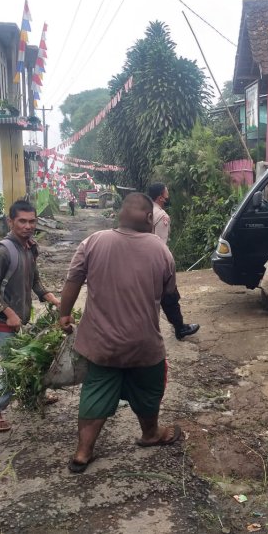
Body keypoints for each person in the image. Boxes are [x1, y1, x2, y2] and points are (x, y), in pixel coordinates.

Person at [59, 193, 182, 473]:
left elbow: (73, 279)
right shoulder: (161, 250)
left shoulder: (94, 241)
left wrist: (64, 314)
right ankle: (150, 434)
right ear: (150, 219)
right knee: (149, 390)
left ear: (119, 215)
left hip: (101, 345)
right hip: (144, 344)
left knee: (95, 390)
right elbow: (168, 294)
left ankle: (83, 452)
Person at [0, 199, 61, 432]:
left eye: (32, 221)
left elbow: (35, 281)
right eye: (22, 221)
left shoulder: (31, 247)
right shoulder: (2, 251)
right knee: (19, 369)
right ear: (10, 221)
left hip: (18, 321)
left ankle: (34, 397)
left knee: (40, 357)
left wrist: (51, 298)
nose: (27, 226)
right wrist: (10, 313)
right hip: (0, 322)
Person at [147, 183, 199, 341]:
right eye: (166, 192)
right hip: (156, 263)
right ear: (160, 197)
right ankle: (180, 328)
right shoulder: (162, 216)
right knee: (170, 296)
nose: (168, 195)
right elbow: (160, 245)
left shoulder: (145, 211)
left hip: (141, 261)